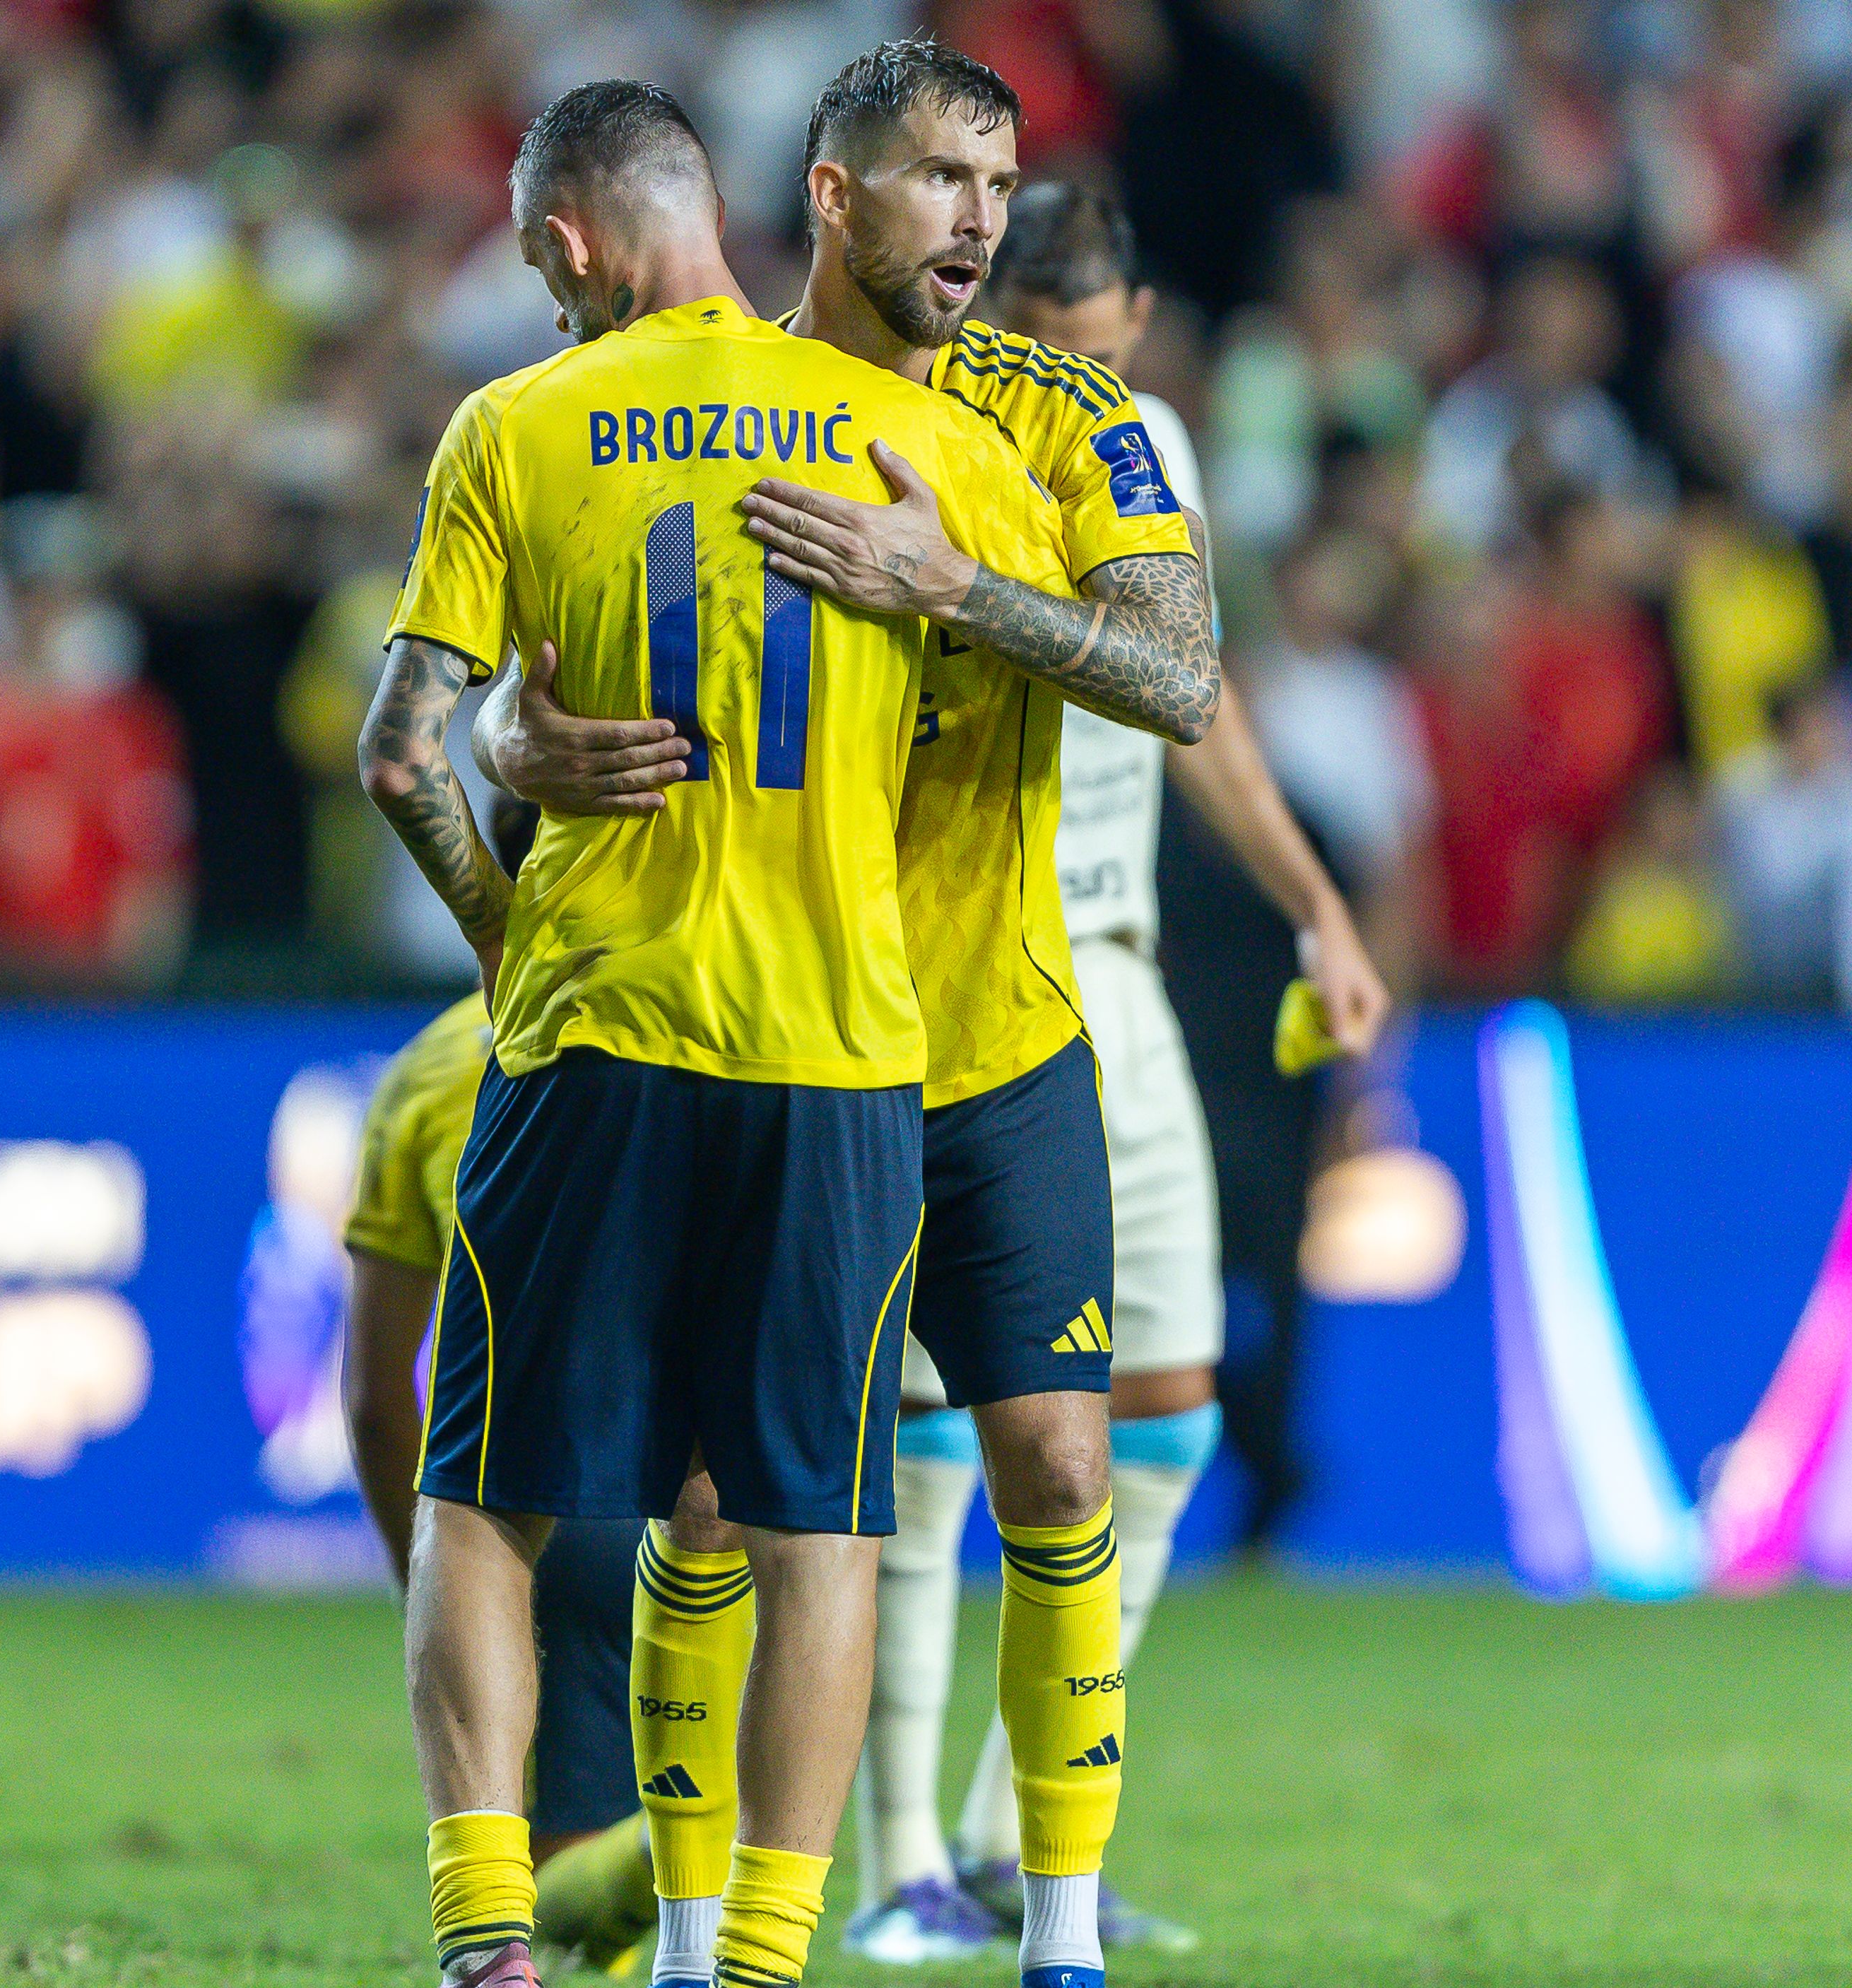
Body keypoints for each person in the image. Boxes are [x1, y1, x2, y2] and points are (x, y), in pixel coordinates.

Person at [474, 44, 1229, 1988]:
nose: (980, 219)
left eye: (1002, 180)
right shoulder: (688, 414)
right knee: (722, 1500)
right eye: (936, 178)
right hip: (779, 1046)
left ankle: (1054, 1929)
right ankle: (705, 1938)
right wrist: (498, 731)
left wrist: (959, 585)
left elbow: (1183, 676)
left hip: (989, 1039)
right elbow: (526, 657)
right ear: (827, 190)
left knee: (1058, 1466)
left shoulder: (1075, 418)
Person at [353, 79, 1080, 1988]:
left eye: (535, 266)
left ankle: (489, 1935)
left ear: (574, 241)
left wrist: (512, 921)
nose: (542, 295)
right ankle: (756, 1958)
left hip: (596, 1033)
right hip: (843, 1052)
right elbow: (1047, 703)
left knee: (489, 1498)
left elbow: (401, 750)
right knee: (816, 1523)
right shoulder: (911, 437)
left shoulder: (517, 425)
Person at [837, 178, 1392, 1962]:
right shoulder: (912, 414)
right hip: (954, 971)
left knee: (1158, 1416)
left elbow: (1194, 696)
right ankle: (898, 1861)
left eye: (1085, 351)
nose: (1060, 383)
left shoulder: (1142, 447)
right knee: (928, 1441)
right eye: (1030, 347)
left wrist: (1314, 899)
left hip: (1123, 978)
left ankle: (1016, 1839)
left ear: (1135, 324)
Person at [338, 990, 661, 1974]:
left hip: (541, 1502)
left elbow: (374, 1396)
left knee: (551, 1880)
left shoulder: (431, 1063)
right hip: (732, 1485)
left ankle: (646, 1861)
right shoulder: (706, 997)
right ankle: (709, 1833)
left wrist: (431, 1588)